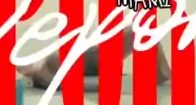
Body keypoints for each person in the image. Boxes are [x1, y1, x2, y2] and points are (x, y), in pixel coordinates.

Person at [19, 26, 171, 89]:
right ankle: (164, 74)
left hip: (89, 57)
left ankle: (163, 74)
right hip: (91, 60)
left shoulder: (44, 69)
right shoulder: (45, 73)